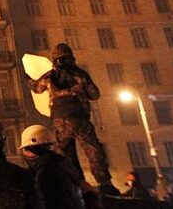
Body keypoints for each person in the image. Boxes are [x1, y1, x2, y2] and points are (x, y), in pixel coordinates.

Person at [26, 43, 119, 195]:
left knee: (66, 155)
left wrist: (30, 81)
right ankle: (104, 183)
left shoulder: (50, 76)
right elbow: (94, 94)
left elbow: (37, 88)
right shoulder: (80, 75)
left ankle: (77, 184)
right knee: (93, 150)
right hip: (79, 118)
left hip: (60, 120)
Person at [19, 124, 85, 209]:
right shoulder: (65, 165)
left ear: (33, 149)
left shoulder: (43, 174)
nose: (25, 154)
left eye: (25, 150)